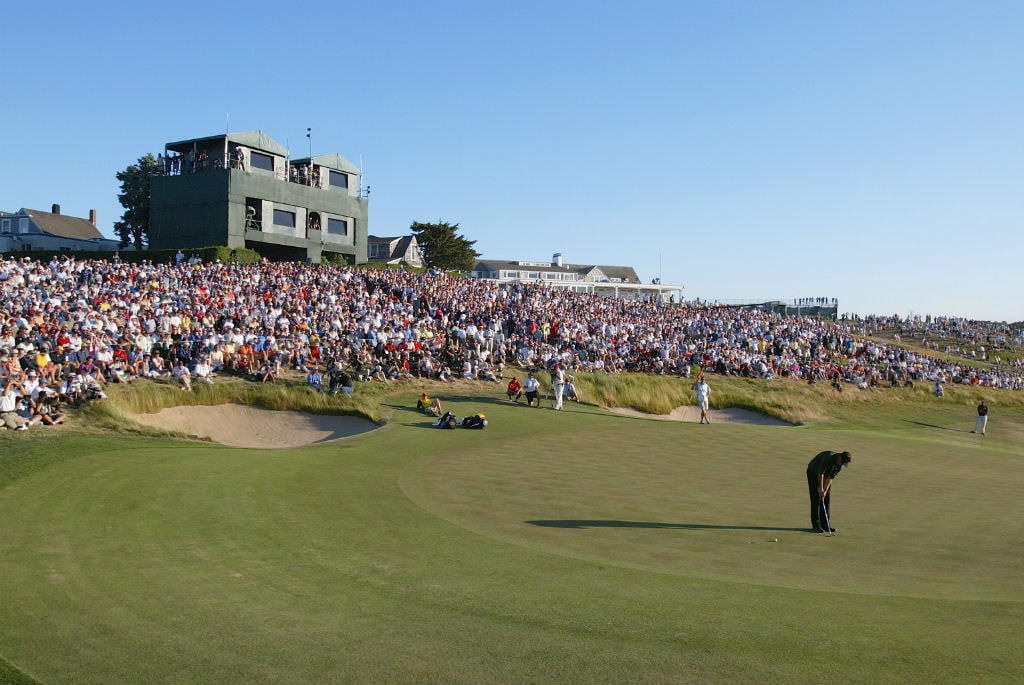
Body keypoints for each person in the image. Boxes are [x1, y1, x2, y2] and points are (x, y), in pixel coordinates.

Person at [806, 450, 852, 533]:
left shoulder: (839, 465)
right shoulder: (828, 458)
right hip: (813, 472)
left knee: (826, 497)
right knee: (816, 498)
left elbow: (830, 478)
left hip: (825, 475)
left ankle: (825, 525)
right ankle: (816, 525)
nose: (841, 464)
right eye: (842, 462)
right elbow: (821, 474)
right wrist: (821, 489)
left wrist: (825, 491)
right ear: (839, 456)